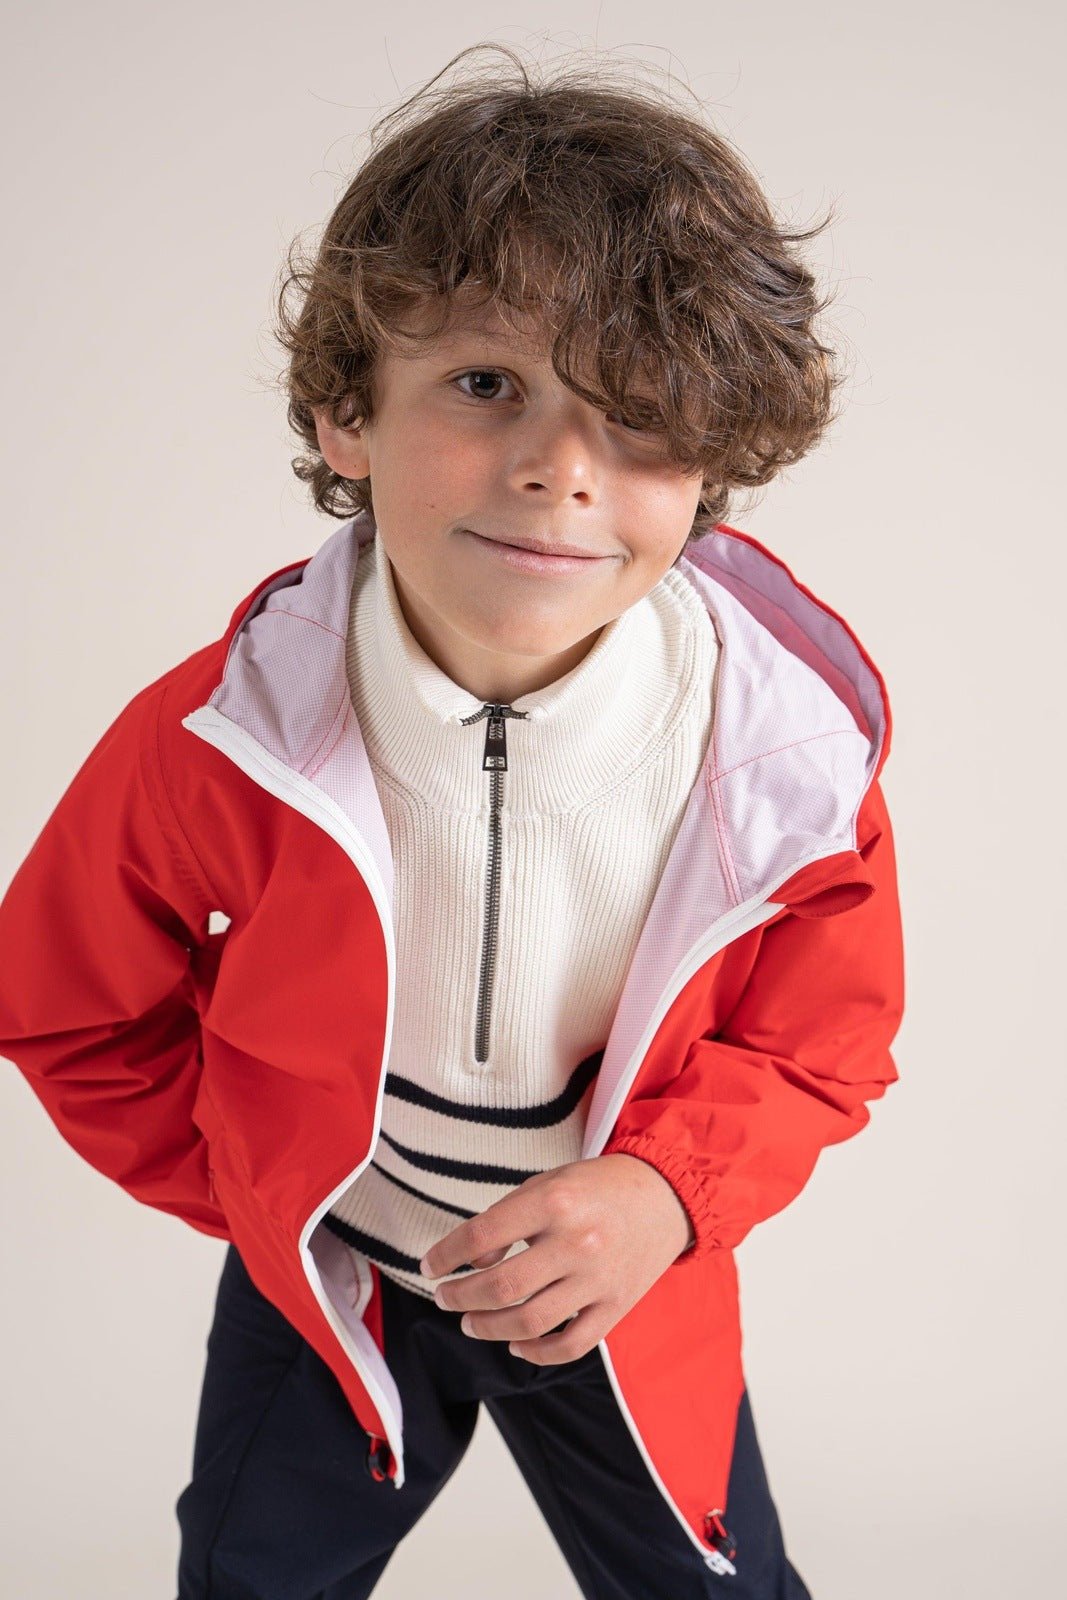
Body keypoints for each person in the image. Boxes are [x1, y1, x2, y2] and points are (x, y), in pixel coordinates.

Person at [0, 42, 905, 1600]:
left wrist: (666, 1196)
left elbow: (823, 1047)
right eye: (488, 386)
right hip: (340, 1284)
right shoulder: (221, 741)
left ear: (716, 457)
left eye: (640, 414)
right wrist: (272, 1186)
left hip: (613, 1284)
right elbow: (69, 1005)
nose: (561, 472)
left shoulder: (782, 760)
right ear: (348, 413)